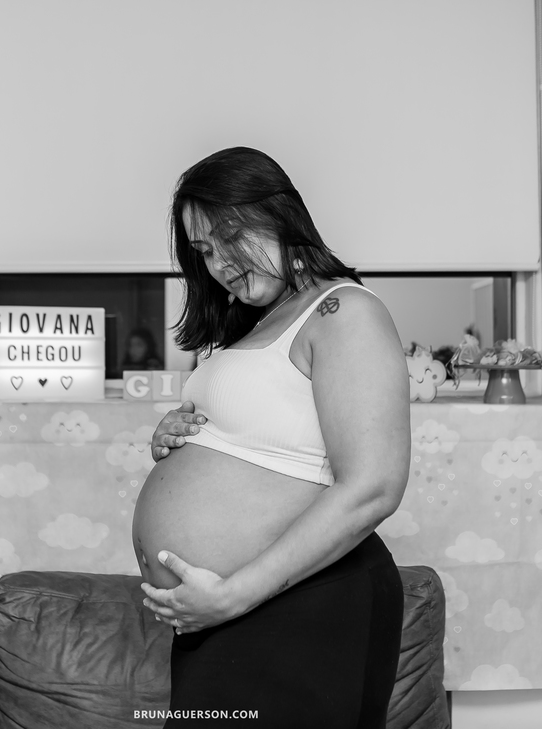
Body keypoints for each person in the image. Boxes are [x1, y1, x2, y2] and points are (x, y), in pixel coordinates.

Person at [131, 147, 411, 728]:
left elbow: (373, 486)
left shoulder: (342, 311)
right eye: (204, 250)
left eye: (230, 236)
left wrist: (231, 597)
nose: (220, 263)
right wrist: (181, 439)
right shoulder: (265, 323)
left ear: (279, 214)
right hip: (233, 612)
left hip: (299, 602)